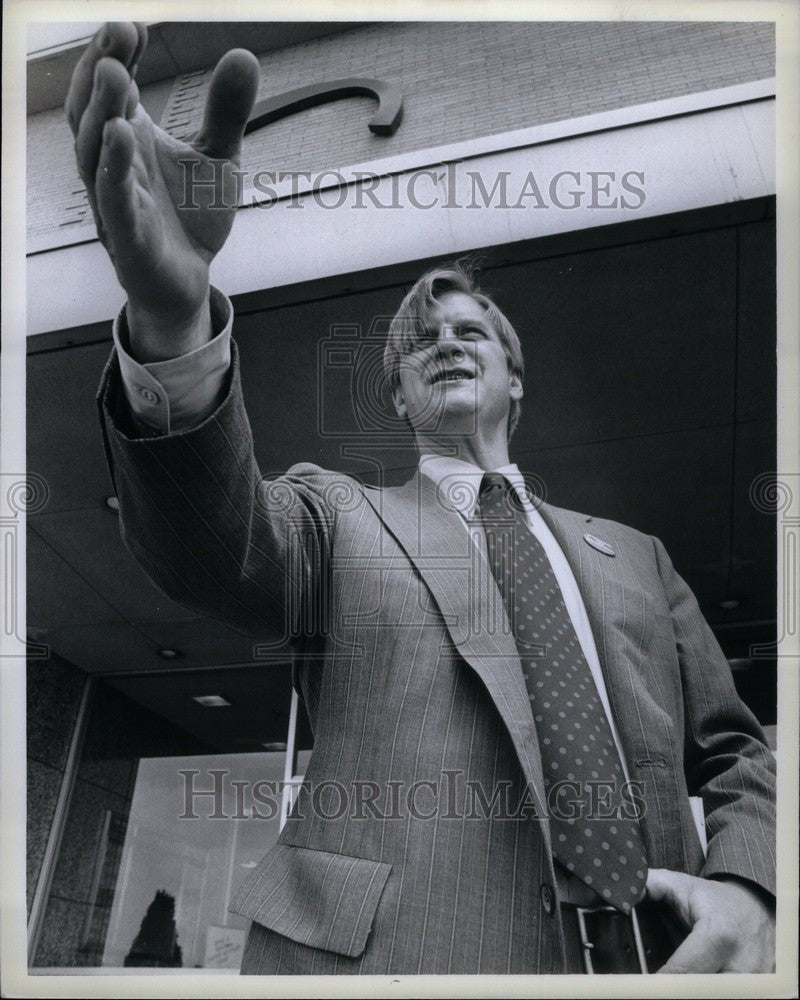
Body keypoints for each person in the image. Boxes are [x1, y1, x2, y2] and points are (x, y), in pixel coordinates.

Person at [66, 22, 776, 975]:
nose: (446, 340)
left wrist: (751, 884)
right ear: (398, 393)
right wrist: (171, 318)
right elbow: (208, 545)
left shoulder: (637, 554)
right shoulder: (334, 518)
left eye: (471, 329)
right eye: (420, 340)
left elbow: (736, 751)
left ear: (514, 379)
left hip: (652, 963)